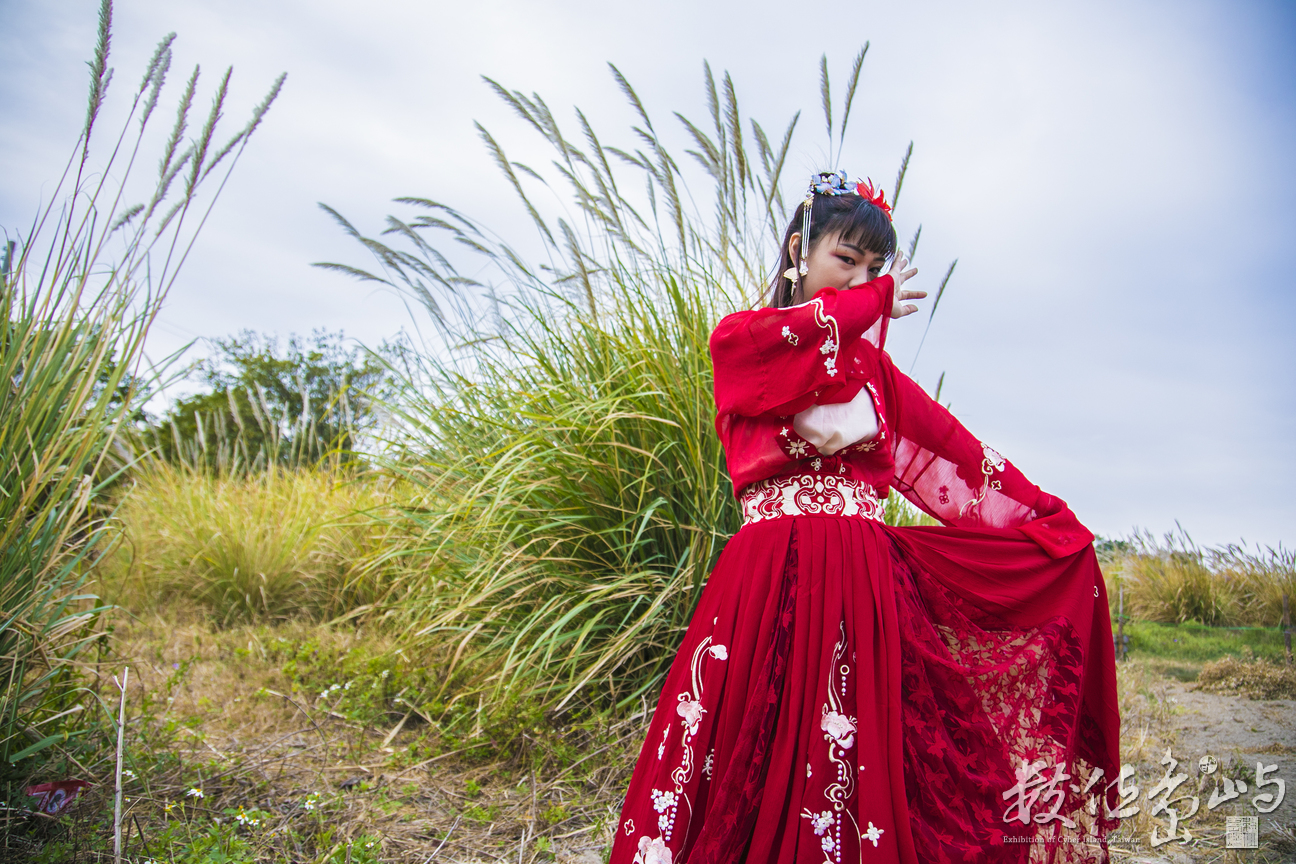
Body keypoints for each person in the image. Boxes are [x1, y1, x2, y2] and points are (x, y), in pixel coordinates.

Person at [609, 171, 1120, 864]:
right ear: (799, 250)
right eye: (844, 261)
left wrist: (1046, 519)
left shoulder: (876, 375)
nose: (860, 282)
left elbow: (962, 462)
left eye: (874, 268)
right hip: (768, 577)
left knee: (868, 752)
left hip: (861, 579)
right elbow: (807, 333)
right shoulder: (744, 341)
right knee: (743, 744)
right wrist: (876, 297)